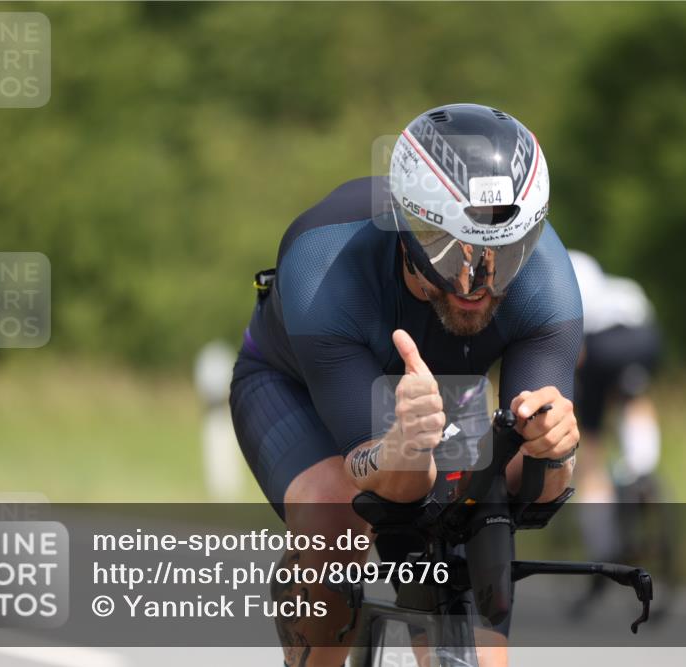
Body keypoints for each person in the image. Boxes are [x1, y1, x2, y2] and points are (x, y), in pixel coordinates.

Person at [229, 103, 583, 667]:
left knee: (478, 518)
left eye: (504, 255)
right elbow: (379, 474)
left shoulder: (548, 283)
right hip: (295, 386)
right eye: (449, 250)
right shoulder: (324, 265)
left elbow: (533, 490)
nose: (477, 283)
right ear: (407, 228)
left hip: (440, 391)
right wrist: (405, 448)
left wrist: (555, 449)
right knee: (334, 513)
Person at [567, 250, 663, 565]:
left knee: (590, 446)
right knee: (634, 397)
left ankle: (602, 545)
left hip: (597, 346)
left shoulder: (562, 271)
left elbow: (575, 343)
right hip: (643, 339)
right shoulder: (618, 285)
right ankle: (640, 469)